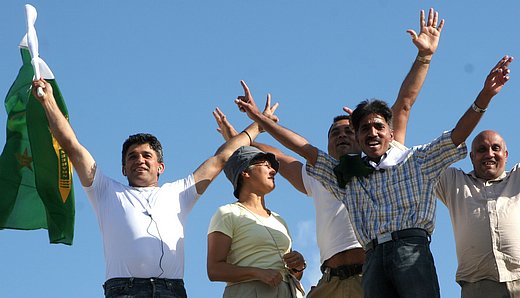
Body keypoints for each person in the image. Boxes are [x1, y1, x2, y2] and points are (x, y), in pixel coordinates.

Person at [236, 47, 512, 297]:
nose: (373, 133)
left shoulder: (415, 160)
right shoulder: (345, 176)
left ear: (391, 133)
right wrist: (257, 121)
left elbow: (456, 134)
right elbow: (302, 149)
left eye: (379, 127)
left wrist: (485, 96)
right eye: (365, 128)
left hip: (411, 250)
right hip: (374, 257)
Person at [219, 7, 444, 297]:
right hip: (330, 282)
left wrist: (424, 57)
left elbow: (403, 104)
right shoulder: (317, 175)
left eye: (348, 131)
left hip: (374, 275)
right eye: (334, 133)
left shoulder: (384, 163)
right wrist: (239, 138)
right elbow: (278, 153)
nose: (341, 136)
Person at [31, 79, 267, 298]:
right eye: (132, 157)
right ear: (124, 168)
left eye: (147, 156)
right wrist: (47, 101)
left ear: (160, 166)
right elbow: (72, 147)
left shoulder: (180, 192)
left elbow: (221, 159)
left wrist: (258, 125)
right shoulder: (104, 190)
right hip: (124, 290)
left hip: (172, 289)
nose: (139, 160)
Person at [206, 146, 306, 298]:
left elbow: (290, 273)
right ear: (245, 172)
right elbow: (214, 270)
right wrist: (257, 273)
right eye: (266, 165)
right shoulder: (227, 213)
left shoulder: (279, 220)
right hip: (248, 292)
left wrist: (298, 266)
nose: (273, 171)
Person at [435, 125, 520, 297]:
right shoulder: (454, 182)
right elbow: (417, 165)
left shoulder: (516, 178)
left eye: (496, 148)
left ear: (506, 155)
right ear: (472, 157)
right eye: (482, 150)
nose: (489, 154)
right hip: (479, 286)